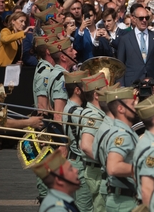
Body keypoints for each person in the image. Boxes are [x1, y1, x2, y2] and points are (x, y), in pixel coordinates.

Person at [99, 87, 139, 211]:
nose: (135, 107)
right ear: (121, 108)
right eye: (132, 104)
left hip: (123, 198)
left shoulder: (117, 130)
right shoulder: (122, 135)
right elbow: (113, 167)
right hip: (125, 202)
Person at [62, 70, 94, 212]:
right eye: (85, 87)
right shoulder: (78, 113)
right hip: (80, 164)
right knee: (85, 207)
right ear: (77, 90)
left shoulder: (68, 106)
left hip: (72, 161)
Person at [79, 73, 109, 212]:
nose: (108, 92)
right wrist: (107, 161)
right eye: (105, 89)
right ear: (97, 95)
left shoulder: (96, 113)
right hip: (96, 171)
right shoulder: (94, 116)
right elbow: (86, 145)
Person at [117, 5, 154, 87]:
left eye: (146, 18)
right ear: (134, 18)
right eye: (141, 18)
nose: (144, 20)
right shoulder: (125, 39)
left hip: (152, 83)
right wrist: (121, 86)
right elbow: (120, 65)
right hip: (132, 83)